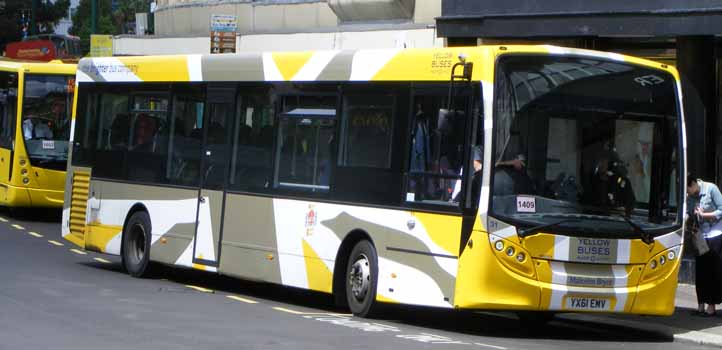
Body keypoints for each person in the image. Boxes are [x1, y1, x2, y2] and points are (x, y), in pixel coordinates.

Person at [686, 175, 722, 316]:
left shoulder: (711, 188)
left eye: (688, 190)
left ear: (694, 184)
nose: (688, 194)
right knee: (701, 270)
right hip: (700, 235)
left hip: (715, 233)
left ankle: (711, 305)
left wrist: (705, 215)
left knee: (713, 270)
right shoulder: (690, 197)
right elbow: (689, 214)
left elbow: (721, 209)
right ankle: (700, 303)